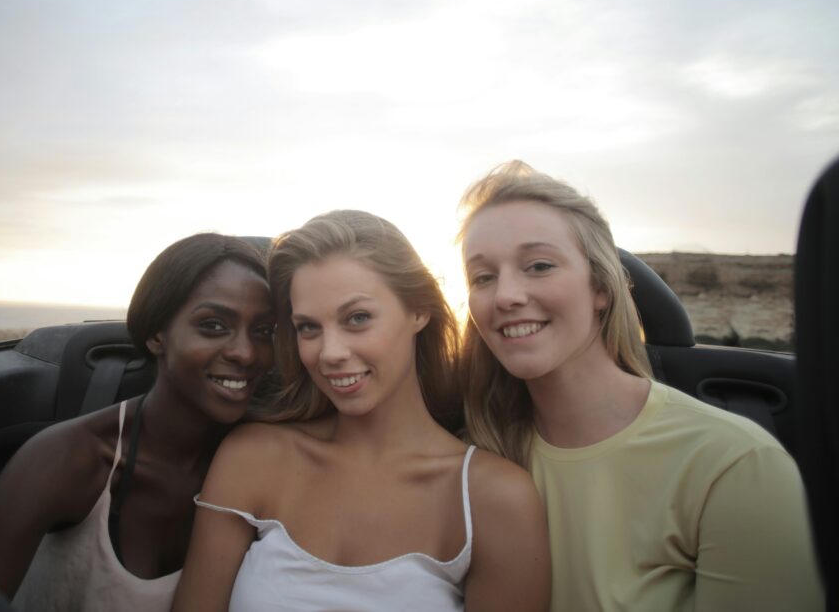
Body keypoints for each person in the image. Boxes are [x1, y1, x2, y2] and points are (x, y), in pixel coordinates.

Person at [458, 161, 824, 611]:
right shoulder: (472, 459)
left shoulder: (733, 465)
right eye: (483, 277)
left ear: (601, 287)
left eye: (538, 266)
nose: (506, 296)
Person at [172, 210, 550, 612]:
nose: (330, 353)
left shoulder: (492, 498)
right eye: (308, 328)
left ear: (419, 310)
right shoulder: (254, 455)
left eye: (357, 318)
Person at [0, 233, 277, 611]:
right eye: (212, 325)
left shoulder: (264, 468)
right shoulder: (68, 458)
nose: (245, 352)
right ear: (156, 334)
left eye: (263, 332)